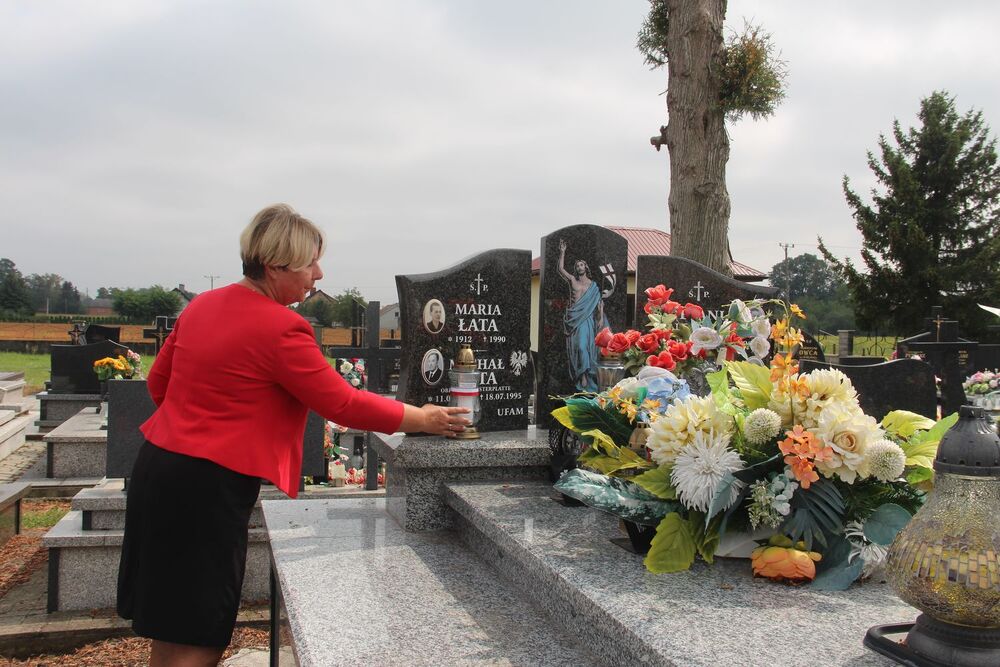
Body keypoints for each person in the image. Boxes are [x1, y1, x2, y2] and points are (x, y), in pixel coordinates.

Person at [116, 204, 469, 666]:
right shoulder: (280, 326)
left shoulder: (203, 306)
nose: (318, 274)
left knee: (171, 621)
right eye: (308, 264)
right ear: (273, 265)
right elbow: (341, 403)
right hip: (207, 487)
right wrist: (423, 419)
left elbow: (160, 386)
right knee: (199, 632)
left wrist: (204, 420)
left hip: (159, 469)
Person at [557, 238, 607, 391]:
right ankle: (581, 375)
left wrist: (600, 318)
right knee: (578, 348)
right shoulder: (573, 280)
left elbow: (598, 304)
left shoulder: (593, 286)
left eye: (581, 264)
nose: (579, 267)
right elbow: (560, 269)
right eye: (577, 265)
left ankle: (585, 375)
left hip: (587, 320)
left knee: (584, 347)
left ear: (586, 267)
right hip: (574, 320)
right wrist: (562, 252)